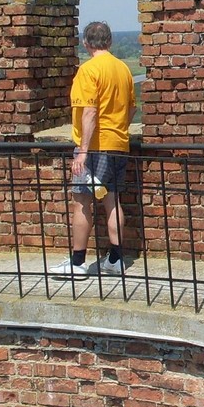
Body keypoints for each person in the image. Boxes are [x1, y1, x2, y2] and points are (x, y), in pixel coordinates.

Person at [50, 21, 136, 279]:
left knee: (81, 203)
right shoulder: (123, 69)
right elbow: (132, 108)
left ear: (85, 43)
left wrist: (83, 151)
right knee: (112, 201)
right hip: (118, 143)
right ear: (109, 41)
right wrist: (117, 130)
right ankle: (115, 260)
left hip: (96, 148)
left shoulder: (88, 70)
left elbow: (89, 111)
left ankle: (77, 263)